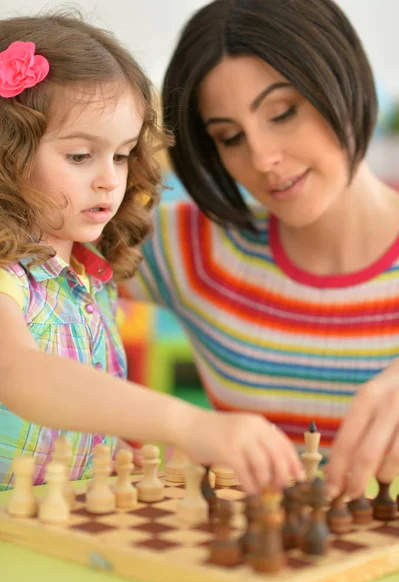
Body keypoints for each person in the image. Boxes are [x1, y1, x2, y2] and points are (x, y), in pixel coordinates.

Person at [0, 12, 304, 494]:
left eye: (120, 155)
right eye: (80, 156)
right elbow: (19, 373)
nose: (109, 179)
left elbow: (73, 408)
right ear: (7, 154)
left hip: (56, 518)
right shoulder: (6, 280)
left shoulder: (88, 275)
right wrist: (188, 425)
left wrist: (104, 448)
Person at [127, 0, 399, 500]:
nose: (263, 158)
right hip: (247, 568)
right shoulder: (190, 248)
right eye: (229, 137)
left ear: (344, 78)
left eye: (283, 112)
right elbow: (26, 246)